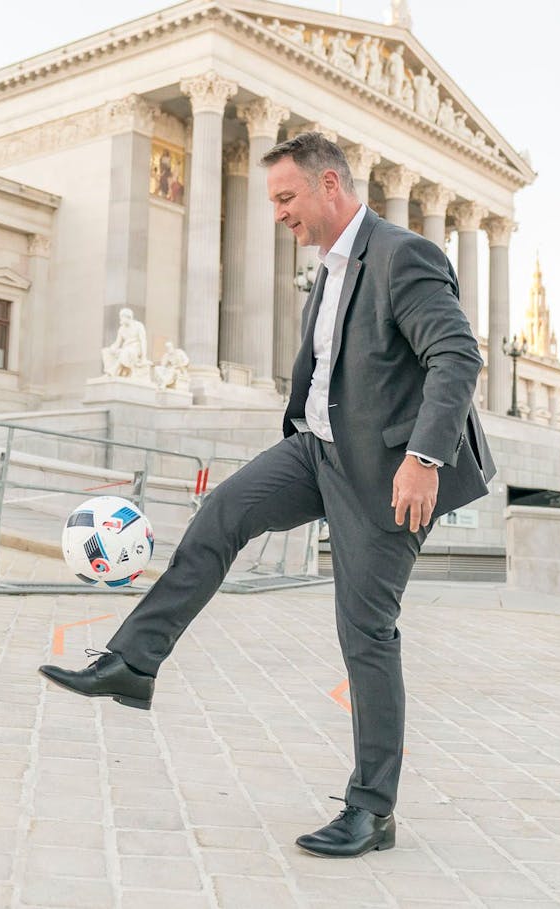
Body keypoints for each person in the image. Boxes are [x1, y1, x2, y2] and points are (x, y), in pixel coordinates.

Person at [40, 131, 493, 858]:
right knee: (223, 512)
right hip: (315, 451)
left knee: (365, 633)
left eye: (286, 197)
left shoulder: (403, 255)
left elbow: (456, 354)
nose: (279, 211)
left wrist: (424, 457)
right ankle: (134, 662)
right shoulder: (327, 269)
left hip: (386, 474)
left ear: (331, 186)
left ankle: (372, 810)